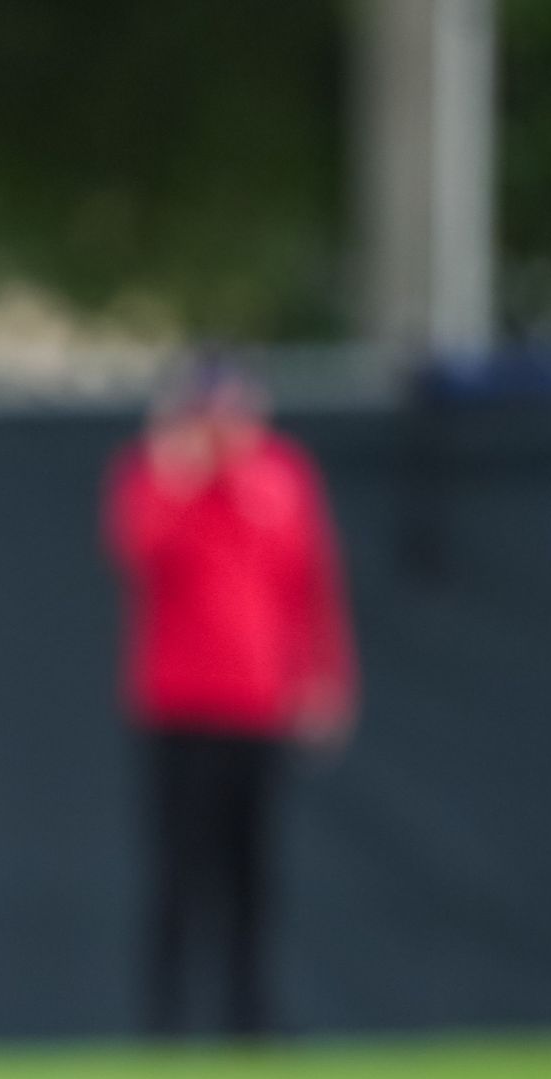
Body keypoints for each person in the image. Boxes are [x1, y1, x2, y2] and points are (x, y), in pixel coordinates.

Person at [101, 358, 356, 1039]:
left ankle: (253, 1024)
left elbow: (312, 584)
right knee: (179, 874)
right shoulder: (158, 474)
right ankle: (166, 1025)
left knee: (254, 875)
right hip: (179, 707)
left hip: (260, 708)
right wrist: (181, 474)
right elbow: (138, 550)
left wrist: (324, 677)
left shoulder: (282, 474)